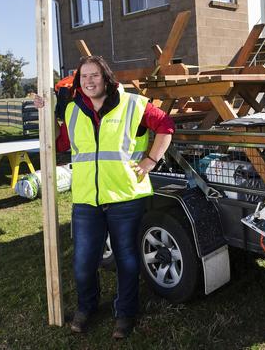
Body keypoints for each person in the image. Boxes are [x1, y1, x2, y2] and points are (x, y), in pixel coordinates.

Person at [36, 55, 174, 339]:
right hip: (87, 200)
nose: (89, 81)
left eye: (94, 75)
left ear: (106, 78)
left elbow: (166, 126)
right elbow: (60, 143)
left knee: (127, 259)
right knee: (84, 262)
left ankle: (125, 313)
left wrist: (150, 160)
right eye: (84, 77)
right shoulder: (73, 110)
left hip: (126, 196)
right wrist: (45, 112)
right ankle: (87, 307)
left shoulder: (133, 104)